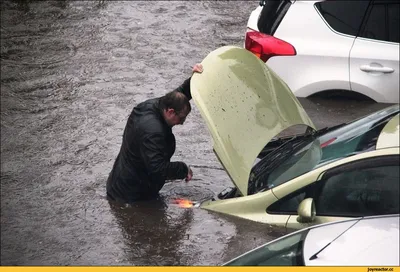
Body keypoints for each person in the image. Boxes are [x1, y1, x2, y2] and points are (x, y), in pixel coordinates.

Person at [106, 63, 204, 203]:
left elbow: (181, 93)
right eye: (181, 118)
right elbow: (158, 169)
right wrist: (183, 169)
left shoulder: (157, 104)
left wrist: (197, 77)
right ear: (170, 112)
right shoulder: (153, 132)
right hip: (130, 196)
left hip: (121, 182)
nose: (182, 123)